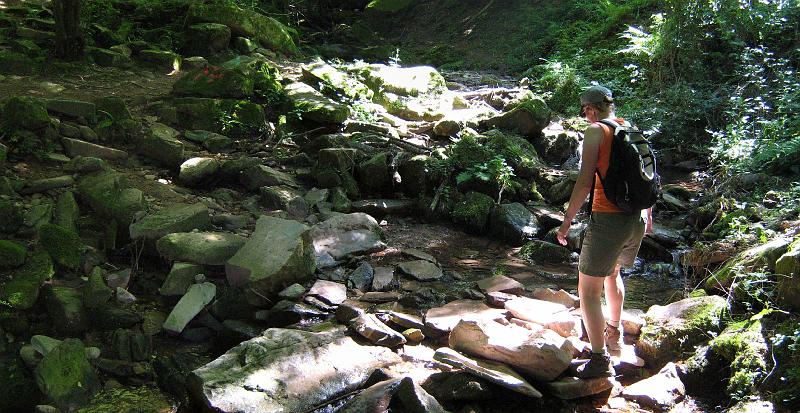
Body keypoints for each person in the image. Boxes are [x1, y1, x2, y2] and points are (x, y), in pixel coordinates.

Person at [556, 85, 653, 378]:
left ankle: (599, 359)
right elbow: (647, 174)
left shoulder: (596, 131)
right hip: (634, 218)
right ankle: (614, 333)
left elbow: (585, 181)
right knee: (612, 275)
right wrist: (648, 213)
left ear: (592, 108)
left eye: (584, 110)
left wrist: (567, 219)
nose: (584, 116)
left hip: (609, 220)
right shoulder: (630, 129)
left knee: (587, 291)